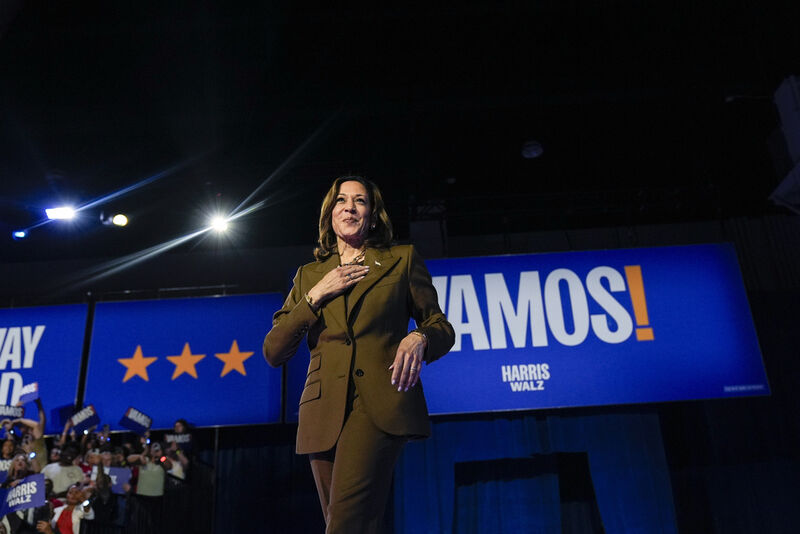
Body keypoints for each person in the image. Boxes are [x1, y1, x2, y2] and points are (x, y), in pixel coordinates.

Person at [263, 176, 455, 533]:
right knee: (348, 523)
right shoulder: (309, 276)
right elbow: (274, 351)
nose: (349, 207)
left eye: (360, 201)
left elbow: (441, 325)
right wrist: (315, 296)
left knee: (346, 524)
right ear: (329, 215)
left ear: (373, 215)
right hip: (322, 411)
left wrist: (419, 337)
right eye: (341, 201)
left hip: (378, 402)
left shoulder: (401, 260)